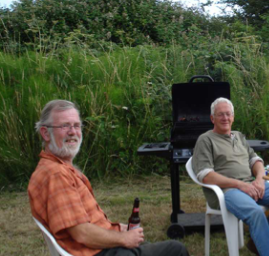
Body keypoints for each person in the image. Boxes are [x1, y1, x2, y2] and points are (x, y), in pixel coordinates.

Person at [28, 100, 189, 256]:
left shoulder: (55, 168)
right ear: (45, 133)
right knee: (175, 249)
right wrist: (122, 238)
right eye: (64, 126)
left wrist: (118, 229)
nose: (72, 132)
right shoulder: (56, 175)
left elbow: (84, 226)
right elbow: (82, 233)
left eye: (76, 126)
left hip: (97, 248)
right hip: (95, 252)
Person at [192, 98, 269, 256]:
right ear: (212, 118)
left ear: (233, 117)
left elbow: (256, 161)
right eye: (220, 114)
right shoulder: (206, 139)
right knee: (256, 213)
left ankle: (259, 244)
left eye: (228, 114)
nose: (225, 118)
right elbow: (205, 175)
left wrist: (259, 179)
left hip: (251, 185)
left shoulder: (239, 136)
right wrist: (240, 185)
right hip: (227, 192)